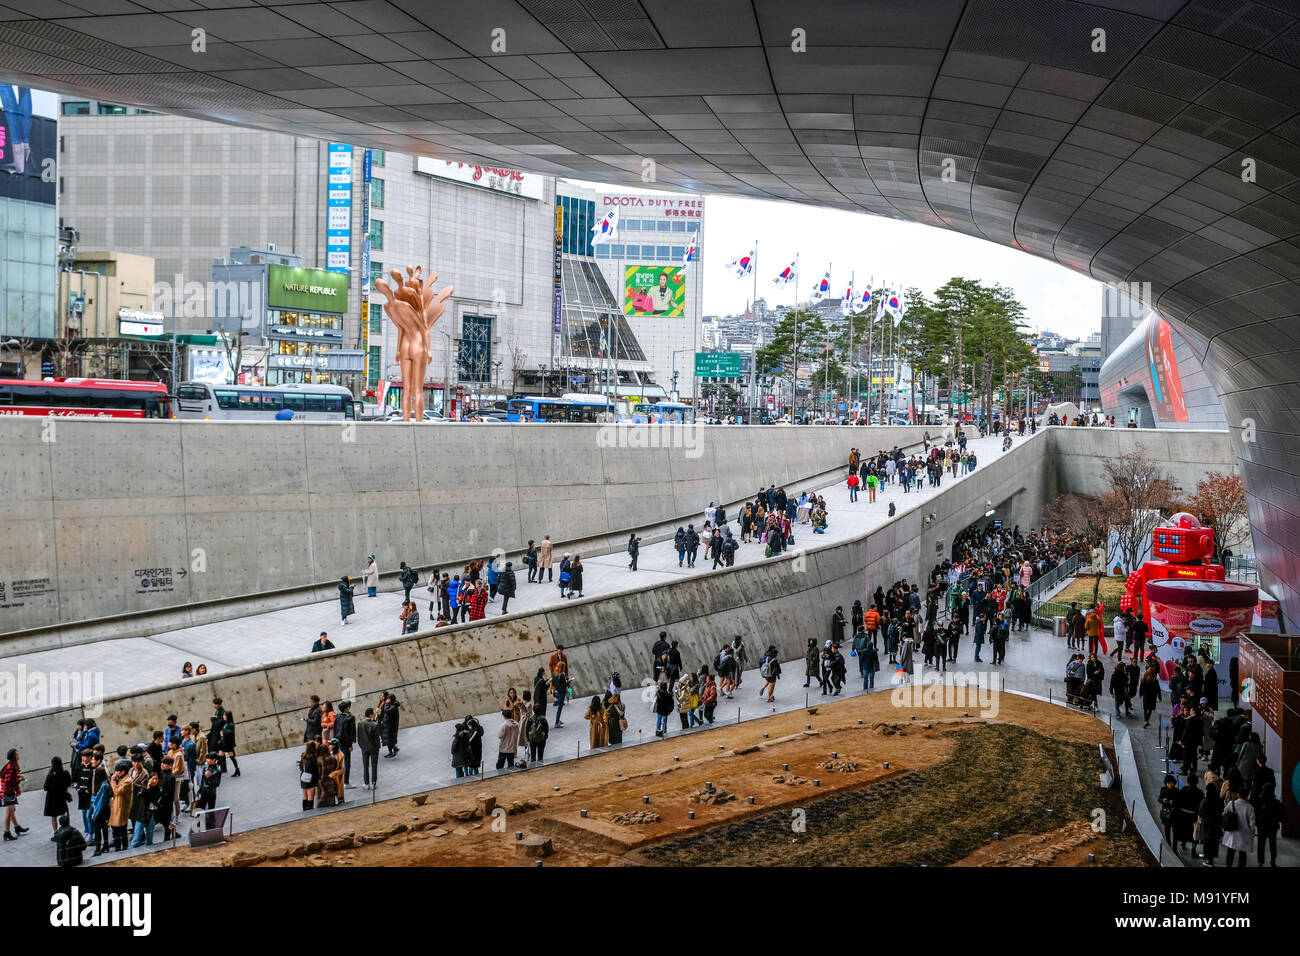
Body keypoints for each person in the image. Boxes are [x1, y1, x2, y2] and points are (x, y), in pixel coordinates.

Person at [1220, 785, 1256, 868]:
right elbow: (1252, 824)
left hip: (1232, 832)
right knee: (1242, 854)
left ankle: (1228, 865)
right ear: (1247, 795)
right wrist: (1252, 832)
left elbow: (1224, 813)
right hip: (1244, 834)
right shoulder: (1250, 808)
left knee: (1230, 851)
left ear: (1238, 795)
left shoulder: (1231, 803)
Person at [1254, 781, 1285, 867]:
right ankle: (1273, 860)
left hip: (1261, 827)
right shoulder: (1276, 802)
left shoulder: (1259, 801)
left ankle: (1260, 862)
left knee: (1261, 845)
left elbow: (1255, 813)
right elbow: (1282, 815)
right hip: (1273, 827)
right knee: (1272, 844)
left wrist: (1256, 823)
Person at [41, 756, 73, 838]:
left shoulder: (50, 775)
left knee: (53, 816)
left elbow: (45, 787)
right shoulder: (65, 773)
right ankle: (67, 830)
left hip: (52, 798)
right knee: (64, 814)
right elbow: (69, 783)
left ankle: (55, 833)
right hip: (62, 797)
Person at [1, 749, 26, 841]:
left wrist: (18, 776)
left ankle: (17, 827)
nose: (18, 755)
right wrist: (19, 779)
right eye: (17, 754)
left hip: (9, 792)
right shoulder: (10, 767)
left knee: (12, 810)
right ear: (14, 757)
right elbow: (8, 781)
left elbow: (9, 778)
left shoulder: (11, 766)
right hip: (8, 793)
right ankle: (7, 832)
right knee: (9, 813)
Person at [357, 708, 381, 790]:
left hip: (364, 748)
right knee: (374, 766)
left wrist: (361, 746)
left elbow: (359, 737)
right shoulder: (375, 725)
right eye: (373, 713)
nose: (374, 714)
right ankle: (374, 783)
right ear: (371, 715)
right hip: (373, 748)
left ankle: (366, 783)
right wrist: (378, 746)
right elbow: (376, 739)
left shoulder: (360, 724)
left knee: (365, 766)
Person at [299, 741, 319, 811]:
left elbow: (301, 768)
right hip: (311, 779)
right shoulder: (313, 758)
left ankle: (304, 811)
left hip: (303, 778)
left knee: (305, 796)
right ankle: (309, 813)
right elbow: (316, 771)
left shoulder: (303, 756)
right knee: (310, 797)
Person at [379, 692, 401, 757]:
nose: (387, 700)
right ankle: (393, 750)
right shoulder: (392, 705)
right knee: (389, 740)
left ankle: (391, 753)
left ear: (390, 700)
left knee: (389, 740)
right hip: (388, 726)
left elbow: (386, 710)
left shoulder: (393, 707)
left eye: (388, 699)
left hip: (391, 727)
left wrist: (386, 703)